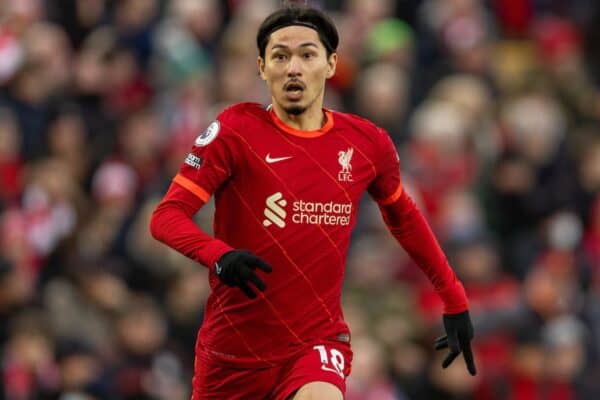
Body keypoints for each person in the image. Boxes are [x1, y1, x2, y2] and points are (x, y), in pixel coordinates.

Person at [150, 4, 476, 400]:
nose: (293, 67)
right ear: (262, 67)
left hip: (315, 342)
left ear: (331, 64)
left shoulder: (366, 143)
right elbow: (166, 217)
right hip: (235, 349)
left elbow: (404, 218)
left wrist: (454, 298)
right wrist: (219, 255)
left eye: (307, 54)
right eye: (280, 56)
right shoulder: (235, 131)